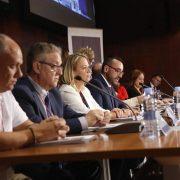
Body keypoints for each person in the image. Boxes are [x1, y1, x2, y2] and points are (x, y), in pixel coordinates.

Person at [12, 42, 105, 180]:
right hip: (38, 163)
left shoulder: (54, 92)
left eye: (60, 66)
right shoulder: (22, 91)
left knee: (97, 165)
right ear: (37, 67)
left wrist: (96, 117)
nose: (60, 72)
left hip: (60, 158)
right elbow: (40, 127)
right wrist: (85, 121)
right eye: (55, 66)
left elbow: (69, 114)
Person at [0, 34, 69, 179]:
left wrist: (50, 127)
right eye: (13, 66)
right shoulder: (21, 90)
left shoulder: (6, 93)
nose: (19, 74)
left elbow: (25, 124)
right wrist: (36, 133)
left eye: (20, 66)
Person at [60, 53, 129, 119]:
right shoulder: (66, 90)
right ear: (72, 71)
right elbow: (89, 114)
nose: (89, 71)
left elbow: (98, 109)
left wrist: (111, 112)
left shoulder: (85, 90)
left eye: (88, 67)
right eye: (84, 68)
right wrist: (113, 114)